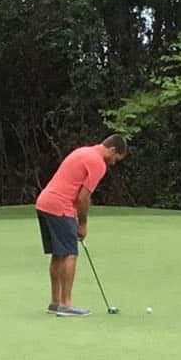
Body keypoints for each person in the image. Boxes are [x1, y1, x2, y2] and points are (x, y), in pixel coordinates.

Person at [35, 135, 128, 316]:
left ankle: (55, 302)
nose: (114, 163)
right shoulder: (98, 163)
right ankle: (66, 305)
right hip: (59, 205)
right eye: (116, 159)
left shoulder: (83, 151)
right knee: (70, 252)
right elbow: (83, 198)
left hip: (44, 202)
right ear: (112, 150)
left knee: (58, 253)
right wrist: (83, 224)